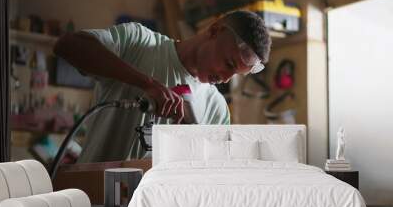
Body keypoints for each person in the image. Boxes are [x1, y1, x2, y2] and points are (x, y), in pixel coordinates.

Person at [54, 10, 271, 162]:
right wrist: (146, 84)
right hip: (94, 201)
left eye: (235, 74)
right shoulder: (138, 42)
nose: (225, 79)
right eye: (228, 64)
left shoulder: (216, 108)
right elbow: (68, 46)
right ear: (214, 31)